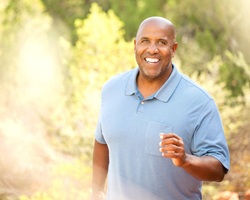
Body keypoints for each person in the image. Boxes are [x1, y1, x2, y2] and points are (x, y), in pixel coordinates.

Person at [92, 16, 230, 200]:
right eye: (145, 41)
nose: (152, 49)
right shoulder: (112, 89)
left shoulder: (199, 102)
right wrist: (97, 192)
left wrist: (185, 160)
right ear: (135, 45)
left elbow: (218, 169)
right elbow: (101, 142)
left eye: (162, 42)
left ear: (173, 49)